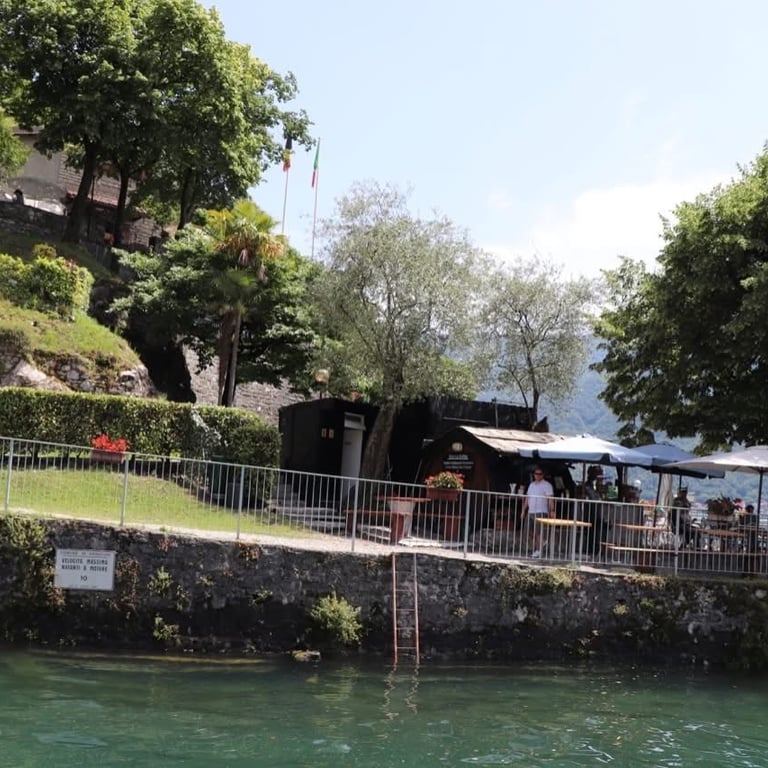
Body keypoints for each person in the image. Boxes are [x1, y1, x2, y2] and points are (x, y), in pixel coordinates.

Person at [522, 467, 555, 558]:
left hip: (541, 511)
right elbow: (527, 498)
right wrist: (524, 510)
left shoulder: (547, 485)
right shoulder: (531, 485)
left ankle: (538, 550)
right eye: (536, 474)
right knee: (528, 531)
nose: (537, 475)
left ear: (543, 475)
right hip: (531, 511)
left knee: (538, 532)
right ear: (534, 475)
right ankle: (541, 543)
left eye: (540, 474)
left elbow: (550, 499)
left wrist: (552, 510)